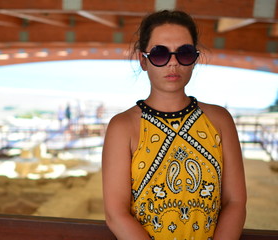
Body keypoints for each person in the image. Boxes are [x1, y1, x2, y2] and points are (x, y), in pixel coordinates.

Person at [102, 10, 246, 240]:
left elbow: (235, 202)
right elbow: (116, 214)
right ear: (143, 60)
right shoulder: (122, 127)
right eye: (160, 54)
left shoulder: (220, 121)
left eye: (184, 53)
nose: (173, 63)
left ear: (195, 59)